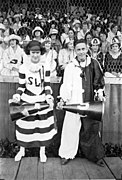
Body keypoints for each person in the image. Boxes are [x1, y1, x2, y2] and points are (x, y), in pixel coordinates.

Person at [57, 39, 105, 166]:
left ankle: (95, 156)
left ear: (87, 49)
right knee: (70, 128)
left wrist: (99, 92)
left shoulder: (94, 63)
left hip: (89, 101)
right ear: (75, 51)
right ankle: (66, 154)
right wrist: (63, 99)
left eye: (83, 49)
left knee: (91, 128)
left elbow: (99, 81)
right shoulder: (70, 66)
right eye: (78, 49)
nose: (81, 52)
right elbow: (66, 85)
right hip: (74, 102)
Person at [12, 40, 57, 162]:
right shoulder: (23, 68)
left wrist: (48, 96)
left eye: (37, 52)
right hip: (27, 100)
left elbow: (47, 85)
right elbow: (21, 86)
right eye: (33, 52)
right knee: (24, 126)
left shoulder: (45, 67)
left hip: (41, 100)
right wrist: (17, 95)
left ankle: (42, 152)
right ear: (29, 53)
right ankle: (22, 150)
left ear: (41, 53)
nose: (35, 55)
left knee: (42, 127)